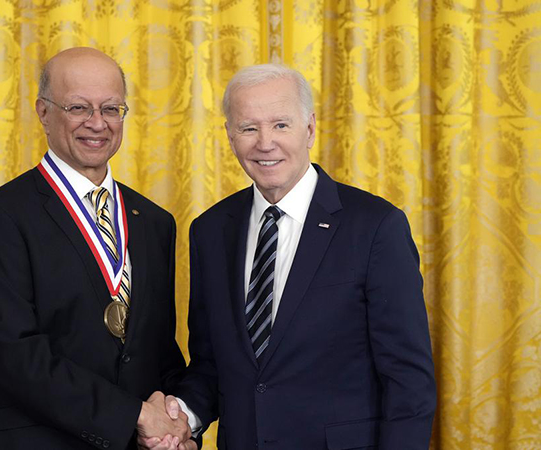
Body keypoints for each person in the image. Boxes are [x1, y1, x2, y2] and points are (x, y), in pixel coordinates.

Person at [156, 64, 437, 449]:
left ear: (310, 129)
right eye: (248, 128)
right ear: (229, 136)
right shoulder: (210, 230)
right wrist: (181, 417)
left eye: (281, 125)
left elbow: (408, 379)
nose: (265, 143)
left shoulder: (375, 226)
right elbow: (211, 364)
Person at [0, 47, 192, 449]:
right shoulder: (1, 215)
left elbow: (159, 352)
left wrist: (176, 426)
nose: (97, 123)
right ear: (43, 112)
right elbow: (13, 354)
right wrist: (134, 416)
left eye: (111, 109)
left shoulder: (154, 221)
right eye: (78, 108)